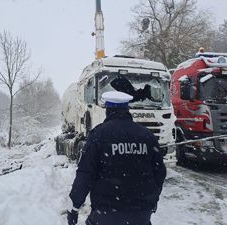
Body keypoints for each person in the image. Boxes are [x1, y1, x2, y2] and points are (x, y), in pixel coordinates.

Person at [67, 91, 166, 225]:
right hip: (140, 215)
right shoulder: (147, 135)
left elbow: (85, 174)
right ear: (127, 109)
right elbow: (159, 173)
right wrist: (151, 200)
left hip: (105, 214)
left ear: (108, 110)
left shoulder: (98, 135)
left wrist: (74, 207)